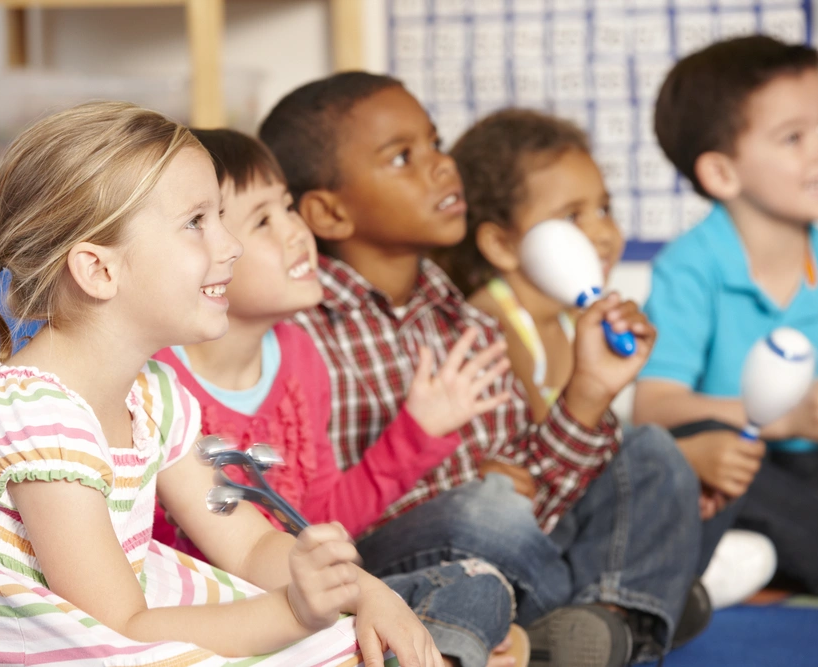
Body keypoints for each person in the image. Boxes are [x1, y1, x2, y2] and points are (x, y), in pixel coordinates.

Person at [0, 101, 442, 666]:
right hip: (67, 646)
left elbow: (247, 544)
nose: (231, 246)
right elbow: (117, 631)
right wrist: (295, 611)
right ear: (98, 270)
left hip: (117, 625)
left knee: (352, 642)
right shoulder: (33, 419)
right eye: (197, 222)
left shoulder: (152, 396)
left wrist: (364, 590)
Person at [260, 72, 711, 667]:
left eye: (436, 143)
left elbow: (536, 496)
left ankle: (593, 627)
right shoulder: (298, 333)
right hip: (396, 570)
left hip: (511, 550)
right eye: (402, 157)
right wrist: (475, 486)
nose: (442, 166)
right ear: (329, 213)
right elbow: (315, 519)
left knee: (651, 453)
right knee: (487, 510)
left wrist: (588, 392)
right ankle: (616, 610)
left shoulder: (463, 321)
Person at [151, 128, 526, 667]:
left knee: (476, 582)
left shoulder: (299, 355)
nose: (296, 231)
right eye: (262, 220)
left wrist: (417, 434)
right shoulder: (161, 379)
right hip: (228, 617)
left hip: (301, 590)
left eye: (287, 207)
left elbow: (320, 518)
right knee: (484, 530)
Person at [432, 107, 776, 610]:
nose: (602, 232)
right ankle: (650, 593)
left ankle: (659, 584)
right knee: (662, 452)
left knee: (706, 457)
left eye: (604, 208)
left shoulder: (573, 320)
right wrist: (680, 461)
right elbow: (545, 467)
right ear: (502, 244)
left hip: (572, 510)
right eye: (573, 216)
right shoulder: (493, 323)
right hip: (528, 530)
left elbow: (599, 440)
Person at [635, 35, 818, 595]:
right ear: (721, 174)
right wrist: (786, 419)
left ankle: (774, 548)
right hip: (743, 474)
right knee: (683, 447)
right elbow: (653, 407)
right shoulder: (691, 266)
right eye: (793, 137)